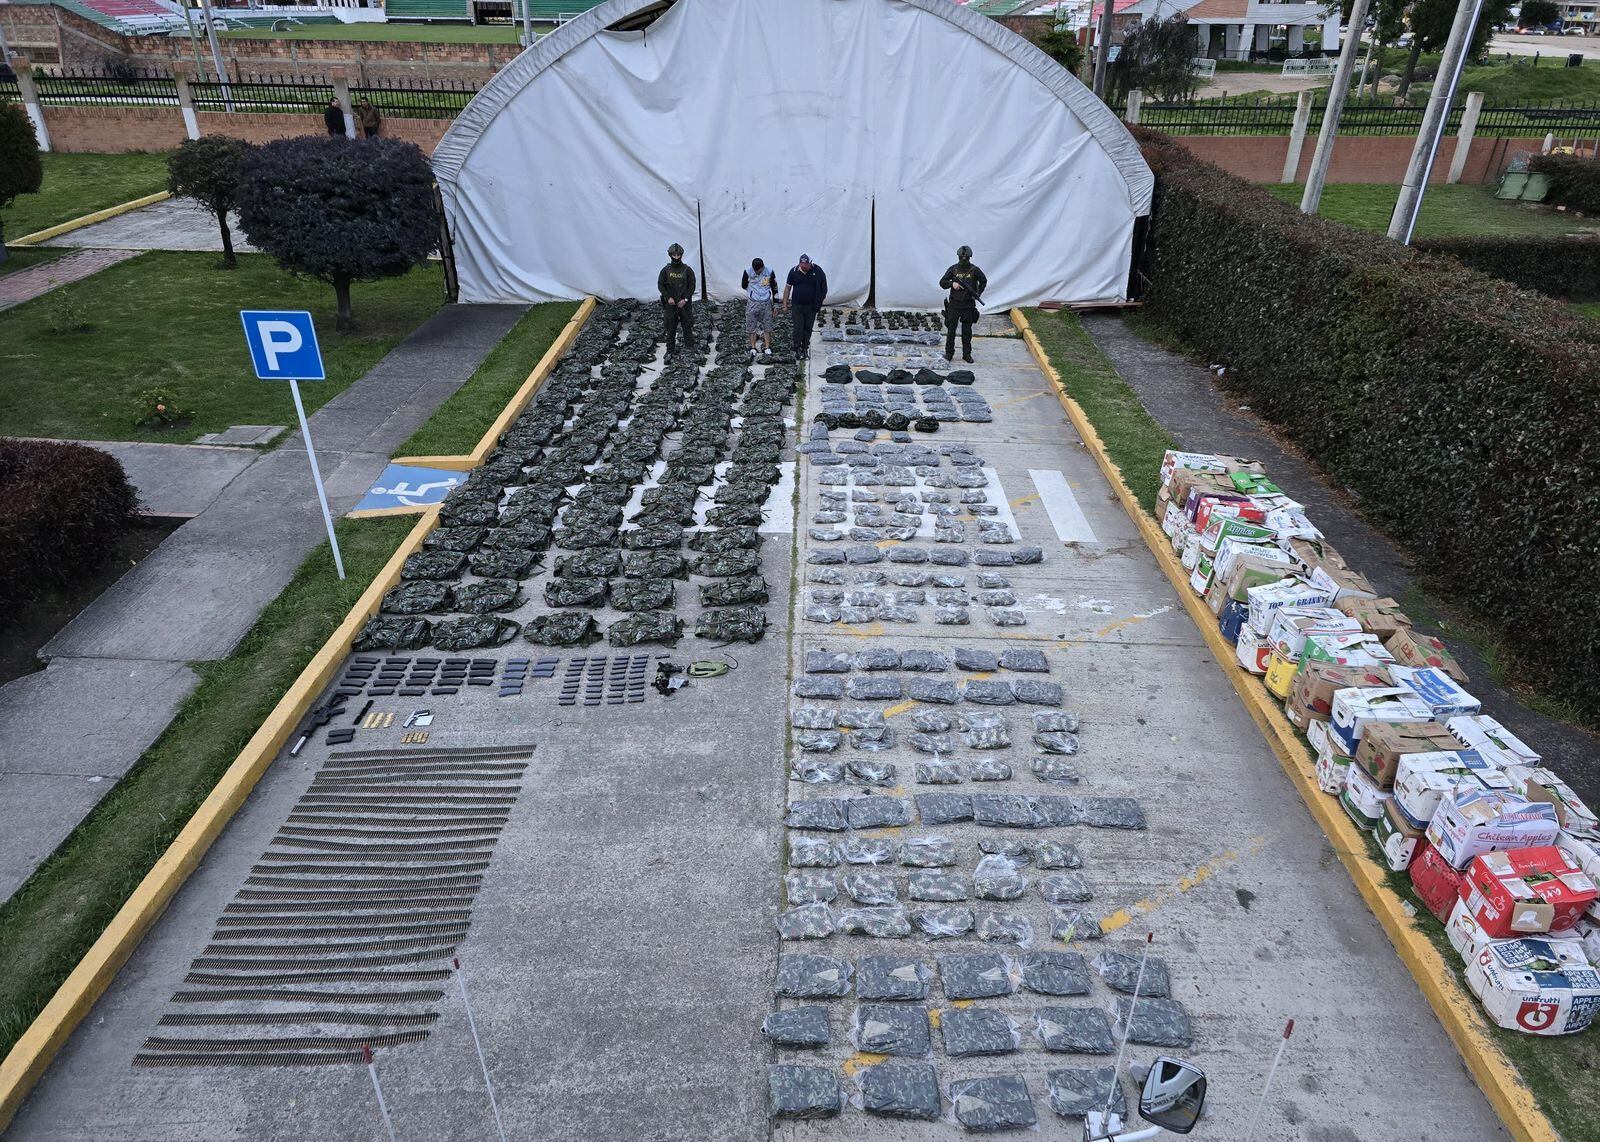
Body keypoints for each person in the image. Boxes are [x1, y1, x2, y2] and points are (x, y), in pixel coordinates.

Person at [940, 244, 987, 363]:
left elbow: (983, 281)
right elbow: (942, 282)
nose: (963, 259)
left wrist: (978, 293)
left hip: (968, 305)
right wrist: (952, 284)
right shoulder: (953, 269)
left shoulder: (974, 270)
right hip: (954, 305)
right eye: (961, 257)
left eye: (966, 257)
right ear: (959, 257)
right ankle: (949, 353)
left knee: (967, 332)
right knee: (951, 331)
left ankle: (967, 354)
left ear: (969, 257)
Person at [782, 253, 827, 360]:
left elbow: (824, 288)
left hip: (811, 306)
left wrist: (819, 301)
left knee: (808, 328)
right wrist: (785, 304)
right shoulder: (793, 272)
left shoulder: (818, 271)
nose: (803, 267)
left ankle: (805, 347)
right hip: (797, 305)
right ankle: (797, 348)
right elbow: (787, 288)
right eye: (801, 265)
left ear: (810, 263)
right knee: (798, 328)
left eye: (805, 265)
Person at [658, 242, 696, 356]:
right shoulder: (665, 270)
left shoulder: (687, 270)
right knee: (670, 328)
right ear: (670, 255)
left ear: (681, 255)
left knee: (687, 327)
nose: (676, 257)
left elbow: (692, 286)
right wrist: (668, 297)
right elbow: (660, 285)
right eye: (674, 255)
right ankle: (670, 351)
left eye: (678, 255)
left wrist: (685, 299)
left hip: (685, 304)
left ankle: (690, 349)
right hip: (671, 304)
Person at [742, 256, 778, 358]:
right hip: (753, 302)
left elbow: (774, 288)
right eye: (755, 270)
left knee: (767, 325)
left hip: (766, 302)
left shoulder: (769, 272)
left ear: (763, 267)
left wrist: (776, 305)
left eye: (759, 270)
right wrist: (753, 291)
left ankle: (767, 347)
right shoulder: (747, 271)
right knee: (751, 325)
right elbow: (744, 285)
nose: (757, 272)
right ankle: (753, 347)